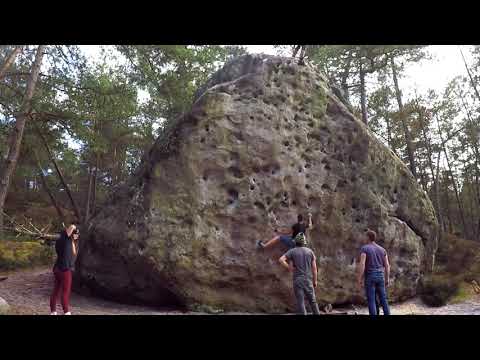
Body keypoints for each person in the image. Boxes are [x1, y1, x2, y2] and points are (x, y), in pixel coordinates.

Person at [279, 232, 320, 315]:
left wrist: (289, 267)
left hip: (297, 280)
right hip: (308, 280)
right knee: (313, 301)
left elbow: (281, 259)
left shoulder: (292, 251)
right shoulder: (310, 252)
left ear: (296, 242)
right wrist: (315, 281)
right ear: (304, 242)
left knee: (301, 302)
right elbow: (314, 269)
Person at [356, 229, 390, 315]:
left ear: (368, 237)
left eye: (365, 237)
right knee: (383, 299)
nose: (364, 239)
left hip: (370, 276)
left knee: (371, 300)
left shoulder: (365, 249)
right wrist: (387, 278)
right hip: (380, 275)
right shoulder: (382, 250)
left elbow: (362, 264)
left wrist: (359, 279)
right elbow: (387, 265)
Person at [50, 224, 79, 315]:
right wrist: (74, 226)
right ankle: (66, 312)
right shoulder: (64, 240)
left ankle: (53, 311)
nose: (76, 235)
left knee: (56, 290)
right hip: (64, 269)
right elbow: (71, 228)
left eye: (77, 234)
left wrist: (76, 232)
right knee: (65, 292)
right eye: (74, 233)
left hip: (58, 268)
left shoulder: (69, 241)